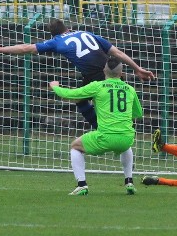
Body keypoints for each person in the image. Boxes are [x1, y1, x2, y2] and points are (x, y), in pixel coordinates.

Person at [0, 18, 155, 129]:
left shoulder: (57, 41)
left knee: (85, 103)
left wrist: (0, 49)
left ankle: (102, 129)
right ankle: (111, 130)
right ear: (68, 28)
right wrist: (137, 68)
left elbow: (26, 48)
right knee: (90, 102)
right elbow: (117, 53)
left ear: (53, 35)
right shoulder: (87, 33)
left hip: (96, 75)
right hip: (112, 70)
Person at [49, 57, 143, 196]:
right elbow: (137, 113)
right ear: (121, 73)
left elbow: (70, 94)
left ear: (104, 70)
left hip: (105, 137)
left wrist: (55, 86)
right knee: (125, 146)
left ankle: (82, 185)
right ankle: (129, 181)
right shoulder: (130, 89)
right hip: (126, 137)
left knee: (75, 146)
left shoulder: (97, 86)